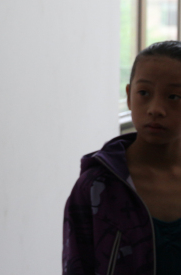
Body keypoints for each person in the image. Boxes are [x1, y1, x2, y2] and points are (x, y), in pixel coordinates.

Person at [63, 40, 181, 275]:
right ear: (128, 96)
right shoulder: (96, 187)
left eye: (174, 96)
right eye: (144, 93)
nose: (155, 109)